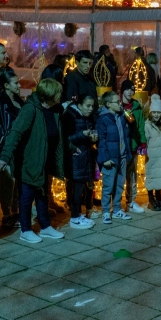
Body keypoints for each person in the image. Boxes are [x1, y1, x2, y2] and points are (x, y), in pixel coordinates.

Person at [0, 78, 66, 244]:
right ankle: (25, 229)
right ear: (49, 95)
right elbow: (15, 133)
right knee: (26, 196)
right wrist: (5, 156)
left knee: (42, 194)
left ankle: (45, 226)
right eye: (58, 93)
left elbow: (58, 134)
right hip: (29, 161)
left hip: (44, 159)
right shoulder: (30, 109)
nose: (60, 96)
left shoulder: (54, 110)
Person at [61, 94, 99, 228]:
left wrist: (92, 138)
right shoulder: (70, 116)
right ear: (79, 105)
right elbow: (66, 138)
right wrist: (82, 134)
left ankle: (79, 214)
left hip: (85, 156)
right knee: (76, 189)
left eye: (92, 106)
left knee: (82, 187)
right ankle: (75, 218)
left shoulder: (87, 116)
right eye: (88, 106)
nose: (90, 109)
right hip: (75, 157)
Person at [0, 70, 23, 227]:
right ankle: (7, 214)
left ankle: (16, 211)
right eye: (15, 83)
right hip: (6, 147)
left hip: (20, 146)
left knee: (17, 180)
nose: (19, 85)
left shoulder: (19, 100)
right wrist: (4, 136)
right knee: (7, 181)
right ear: (6, 85)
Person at [96, 90, 133, 224]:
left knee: (119, 185)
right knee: (108, 186)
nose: (120, 103)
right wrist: (104, 158)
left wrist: (126, 113)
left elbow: (130, 127)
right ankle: (106, 211)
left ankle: (117, 209)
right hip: (110, 158)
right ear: (108, 104)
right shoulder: (103, 119)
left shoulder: (121, 116)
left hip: (122, 156)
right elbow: (101, 140)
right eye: (117, 102)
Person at [119, 81, 147, 213]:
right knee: (118, 175)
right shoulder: (117, 106)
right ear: (122, 91)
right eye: (127, 90)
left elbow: (141, 125)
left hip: (133, 144)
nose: (130, 92)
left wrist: (142, 142)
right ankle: (116, 203)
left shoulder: (136, 106)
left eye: (132, 90)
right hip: (119, 146)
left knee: (132, 175)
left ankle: (131, 201)